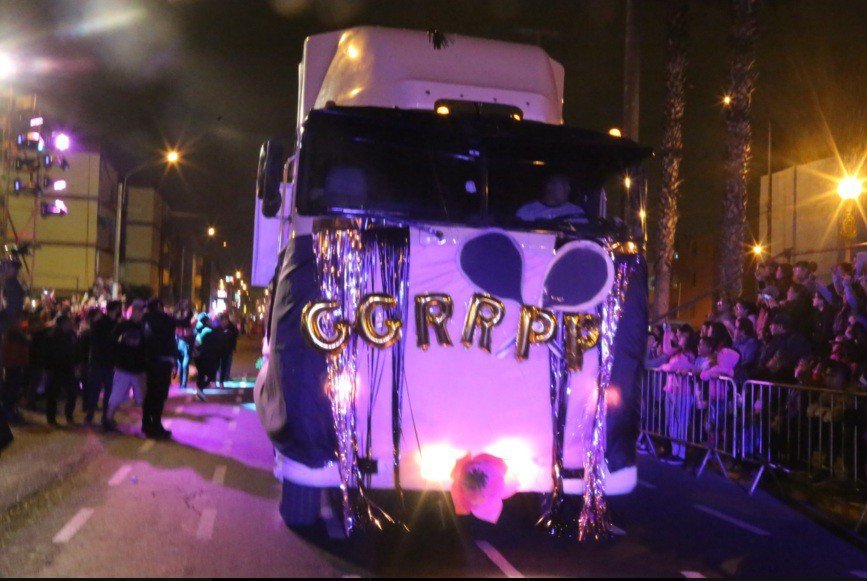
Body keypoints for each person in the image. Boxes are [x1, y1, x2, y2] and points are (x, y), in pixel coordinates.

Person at [104, 300, 148, 432]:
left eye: (141, 311)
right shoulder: (123, 326)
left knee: (143, 397)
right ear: (132, 311)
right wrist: (117, 357)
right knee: (116, 396)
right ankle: (108, 419)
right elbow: (111, 342)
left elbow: (148, 346)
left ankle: (146, 422)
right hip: (123, 367)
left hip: (138, 368)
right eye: (136, 310)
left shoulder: (144, 327)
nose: (139, 313)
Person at [142, 298, 182, 439]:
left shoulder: (145, 319)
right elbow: (184, 323)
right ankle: (156, 425)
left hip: (150, 361)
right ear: (160, 307)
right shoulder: (166, 319)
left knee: (151, 393)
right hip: (164, 361)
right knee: (160, 395)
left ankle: (147, 423)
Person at [84, 300, 122, 425]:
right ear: (115, 310)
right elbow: (100, 342)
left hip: (107, 363)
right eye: (118, 309)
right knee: (97, 390)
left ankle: (102, 416)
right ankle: (92, 415)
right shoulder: (102, 324)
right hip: (100, 362)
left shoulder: (110, 323)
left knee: (106, 392)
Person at [44, 315, 79, 426]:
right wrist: (48, 368)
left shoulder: (71, 334)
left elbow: (74, 350)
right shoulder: (53, 335)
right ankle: (51, 418)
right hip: (56, 369)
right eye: (69, 321)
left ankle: (68, 415)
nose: (71, 323)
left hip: (67, 368)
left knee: (72, 393)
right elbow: (48, 353)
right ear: (63, 323)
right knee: (53, 395)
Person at [516, 174, 587, 223]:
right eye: (563, 185)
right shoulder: (527, 211)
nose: (568, 189)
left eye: (568, 186)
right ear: (550, 186)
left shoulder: (576, 213)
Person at [174, 301, 195, 389]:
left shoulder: (190, 322)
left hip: (186, 344)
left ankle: (183, 383)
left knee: (184, 364)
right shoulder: (178, 322)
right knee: (180, 364)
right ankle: (181, 382)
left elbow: (191, 334)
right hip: (180, 343)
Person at [217, 313, 239, 388]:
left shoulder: (230, 327)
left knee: (225, 365)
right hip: (219, 350)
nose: (224, 322)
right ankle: (217, 379)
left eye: (226, 320)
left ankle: (222, 381)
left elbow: (236, 335)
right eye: (223, 320)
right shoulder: (218, 328)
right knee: (218, 365)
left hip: (227, 350)